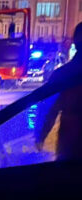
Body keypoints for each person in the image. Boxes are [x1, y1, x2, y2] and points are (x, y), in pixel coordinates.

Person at [37, 22, 82, 161]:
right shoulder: (63, 74)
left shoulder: (64, 74)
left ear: (74, 42)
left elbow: (49, 110)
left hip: (69, 150)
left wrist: (41, 137)